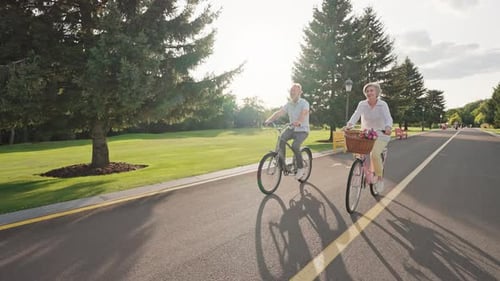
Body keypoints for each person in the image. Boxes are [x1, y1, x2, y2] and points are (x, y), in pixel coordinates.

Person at [344, 82, 393, 193]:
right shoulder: (362, 104)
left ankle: (380, 179)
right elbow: (356, 115)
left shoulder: (383, 105)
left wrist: (388, 127)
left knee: (374, 154)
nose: (369, 92)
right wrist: (349, 125)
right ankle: (367, 172)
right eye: (367, 91)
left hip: (380, 134)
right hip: (366, 134)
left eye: (371, 90)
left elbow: (388, 118)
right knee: (362, 154)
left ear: (377, 92)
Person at [264, 83, 310, 180]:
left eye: (294, 91)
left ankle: (301, 168)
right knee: (281, 139)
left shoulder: (304, 103)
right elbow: (279, 113)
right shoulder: (289, 104)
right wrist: (269, 120)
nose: (292, 92)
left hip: (302, 130)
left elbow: (304, 113)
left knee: (295, 146)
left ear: (300, 92)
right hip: (292, 128)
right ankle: (282, 162)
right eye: (291, 91)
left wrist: (299, 121)